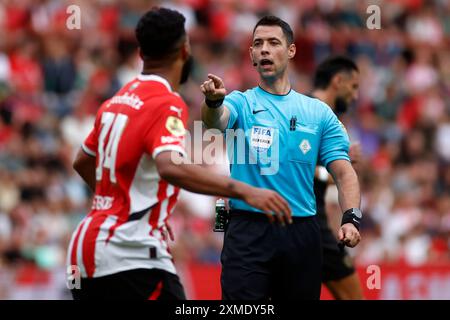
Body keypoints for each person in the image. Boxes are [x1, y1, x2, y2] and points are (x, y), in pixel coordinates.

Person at [67, 7, 291, 300]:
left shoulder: (117, 100)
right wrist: (245, 191)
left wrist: (126, 205)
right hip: (128, 253)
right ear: (184, 50)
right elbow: (170, 167)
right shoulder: (166, 102)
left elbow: (82, 160)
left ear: (141, 51)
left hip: (84, 253)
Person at [201, 15, 362, 300]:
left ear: (291, 51)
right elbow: (216, 121)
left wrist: (351, 218)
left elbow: (344, 172)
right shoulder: (240, 102)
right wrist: (213, 102)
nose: (264, 49)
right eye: (258, 44)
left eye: (273, 42)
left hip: (301, 232)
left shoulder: (319, 113)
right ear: (251, 54)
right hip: (248, 230)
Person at [310, 55, 365, 299]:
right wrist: (338, 169)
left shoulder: (329, 119)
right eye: (353, 87)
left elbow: (318, 172)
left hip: (313, 224)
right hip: (304, 223)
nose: (355, 96)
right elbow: (296, 166)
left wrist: (340, 166)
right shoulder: (307, 113)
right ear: (337, 81)